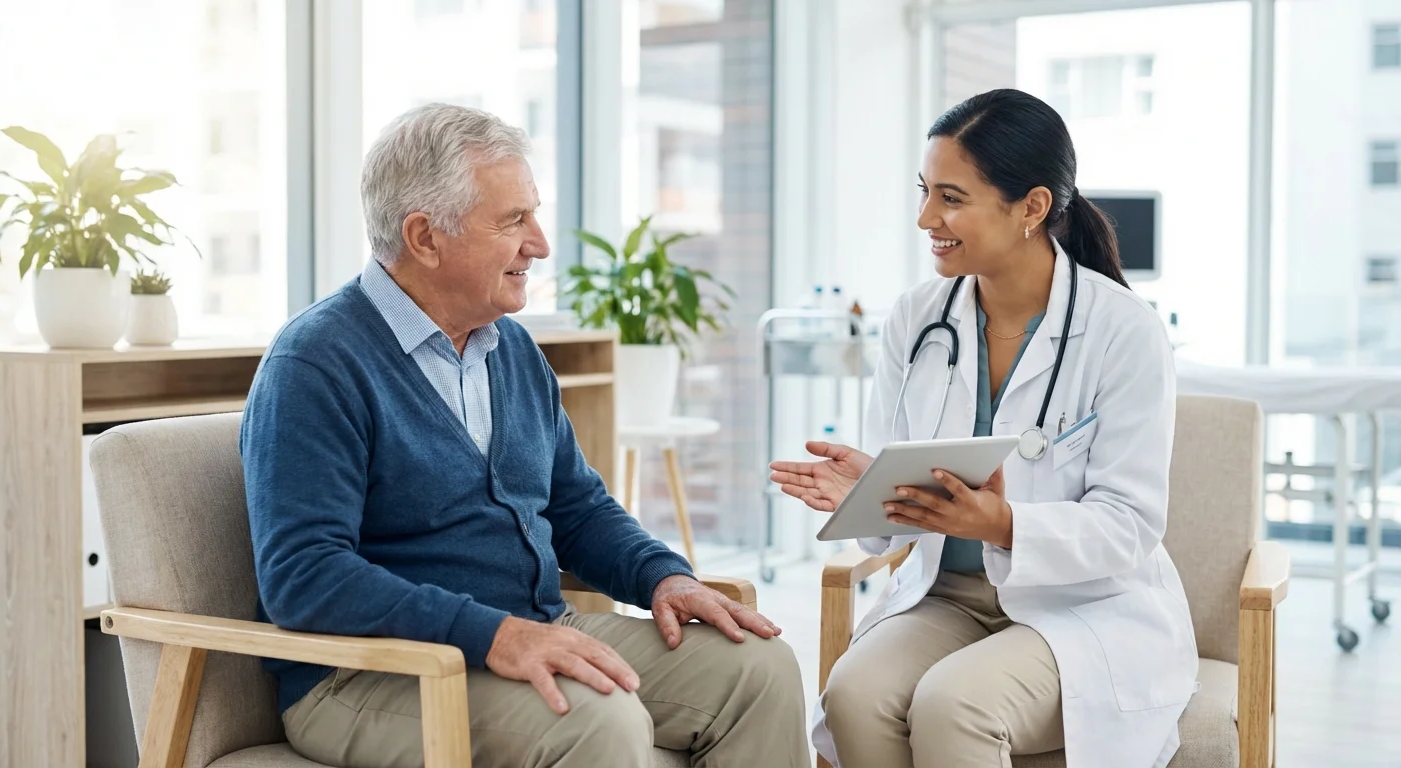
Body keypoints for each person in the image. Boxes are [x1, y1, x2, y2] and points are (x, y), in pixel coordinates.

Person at [240, 103, 809, 768]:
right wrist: (491, 635)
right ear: (425, 236)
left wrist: (661, 577)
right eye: (514, 221)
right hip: (368, 673)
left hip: (531, 632)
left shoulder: (509, 349)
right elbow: (304, 576)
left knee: (760, 670)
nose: (539, 244)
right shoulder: (316, 363)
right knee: (595, 720)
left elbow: (576, 508)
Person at [770, 89, 1196, 768]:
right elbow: (895, 520)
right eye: (924, 192)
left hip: (1084, 607)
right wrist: (868, 491)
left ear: (1030, 207)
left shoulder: (1124, 331)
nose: (925, 218)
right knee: (853, 693)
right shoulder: (917, 319)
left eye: (951, 197)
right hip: (948, 596)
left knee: (953, 704)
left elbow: (1129, 524)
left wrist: (1001, 525)